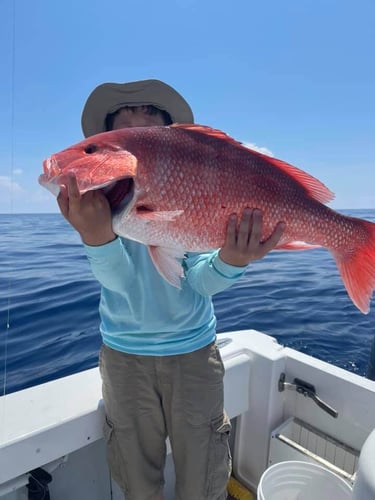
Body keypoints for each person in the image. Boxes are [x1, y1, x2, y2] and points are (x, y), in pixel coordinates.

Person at [57, 79, 285, 500]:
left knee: (203, 479)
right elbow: (120, 283)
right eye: (122, 132)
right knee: (137, 482)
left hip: (194, 355)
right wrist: (97, 237)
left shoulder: (191, 195)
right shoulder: (101, 207)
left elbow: (199, 282)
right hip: (125, 360)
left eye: (150, 136)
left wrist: (232, 261)